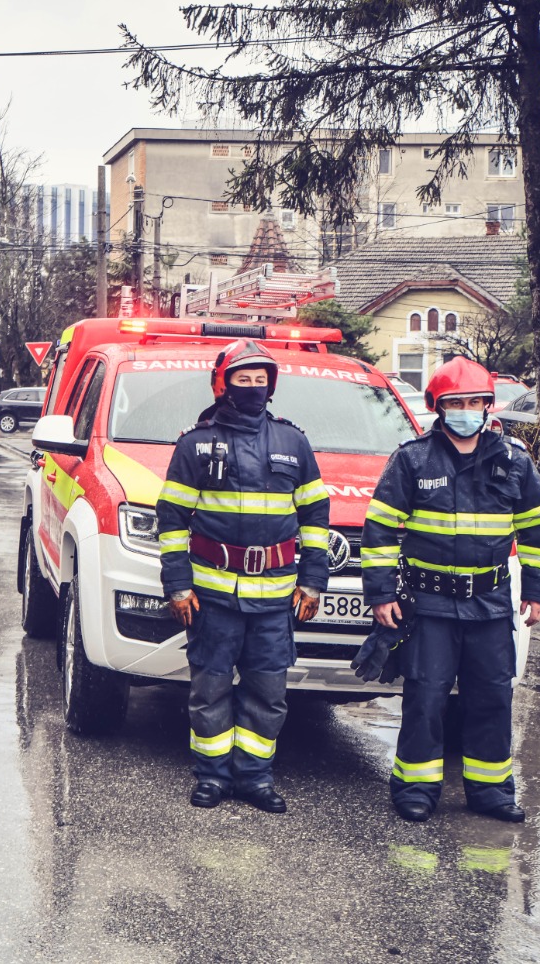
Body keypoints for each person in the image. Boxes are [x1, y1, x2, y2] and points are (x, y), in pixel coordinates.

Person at [362, 356, 540, 823]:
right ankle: (415, 788)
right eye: (456, 402)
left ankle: (491, 792)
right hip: (428, 605)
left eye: (475, 401)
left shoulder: (514, 460)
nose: (466, 409)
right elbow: (380, 530)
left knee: (491, 697)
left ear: (489, 406)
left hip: (490, 603)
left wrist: (539, 592)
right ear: (438, 407)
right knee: (425, 697)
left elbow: (539, 531)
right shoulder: (412, 459)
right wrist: (381, 594)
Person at [156, 340, 330, 812]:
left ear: (271, 387)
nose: (253, 388)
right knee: (209, 689)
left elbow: (315, 517)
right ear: (223, 384)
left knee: (268, 692)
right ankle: (212, 776)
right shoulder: (196, 444)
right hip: (211, 596)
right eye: (243, 379)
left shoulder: (294, 443)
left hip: (275, 598)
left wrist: (313, 582)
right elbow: (171, 520)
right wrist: (178, 585)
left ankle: (255, 778)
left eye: (260, 380)